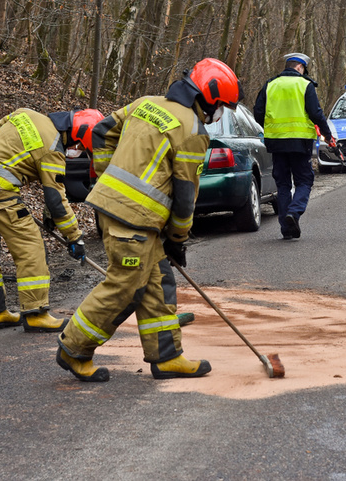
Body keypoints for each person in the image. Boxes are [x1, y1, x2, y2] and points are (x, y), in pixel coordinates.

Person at [56, 58, 240, 382]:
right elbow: (185, 196)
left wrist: (106, 175)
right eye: (222, 106)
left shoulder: (146, 103)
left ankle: (167, 356)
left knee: (157, 281)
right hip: (135, 220)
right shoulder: (193, 131)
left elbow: (100, 132)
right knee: (125, 287)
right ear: (209, 98)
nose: (220, 113)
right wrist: (178, 240)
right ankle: (74, 348)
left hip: (117, 212)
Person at [0, 108, 104, 332]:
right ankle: (35, 313)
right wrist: (75, 237)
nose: (76, 150)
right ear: (76, 136)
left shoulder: (26, 114)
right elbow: (56, 200)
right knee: (30, 247)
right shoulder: (53, 148)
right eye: (79, 146)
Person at [253, 53, 334, 240]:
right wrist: (327, 135)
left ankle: (287, 230)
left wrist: (271, 127)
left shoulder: (270, 85)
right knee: (304, 181)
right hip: (300, 142)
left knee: (282, 184)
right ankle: (294, 212)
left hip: (276, 142)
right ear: (299, 67)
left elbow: (258, 112)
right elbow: (316, 113)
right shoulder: (305, 85)